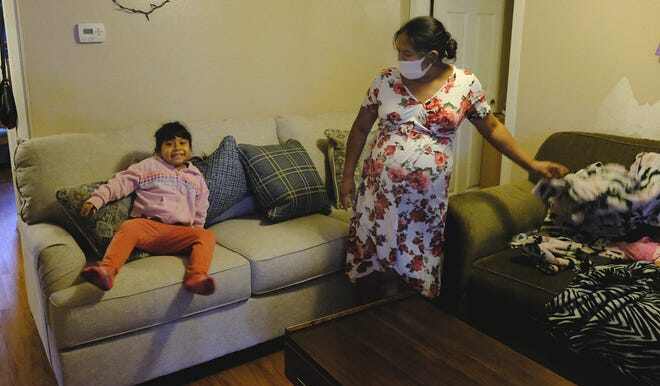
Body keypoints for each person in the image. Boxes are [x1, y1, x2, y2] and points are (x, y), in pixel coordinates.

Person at [341, 16, 568, 298]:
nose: (400, 59)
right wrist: (347, 176)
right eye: (398, 51)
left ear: (432, 56)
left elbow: (493, 128)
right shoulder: (385, 81)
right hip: (379, 195)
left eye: (407, 53)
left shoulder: (465, 84)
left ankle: (405, 333)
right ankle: (365, 329)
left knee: (411, 276)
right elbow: (361, 127)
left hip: (423, 204)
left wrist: (531, 163)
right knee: (372, 272)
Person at [80, 122, 217, 295]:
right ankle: (107, 271)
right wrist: (97, 199)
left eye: (182, 143)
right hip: (149, 229)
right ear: (158, 150)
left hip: (179, 234)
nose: (177, 148)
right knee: (130, 227)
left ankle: (196, 277)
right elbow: (121, 182)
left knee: (206, 235)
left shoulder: (196, 177)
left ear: (190, 148)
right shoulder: (148, 166)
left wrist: (195, 231)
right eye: (169, 144)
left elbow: (201, 208)